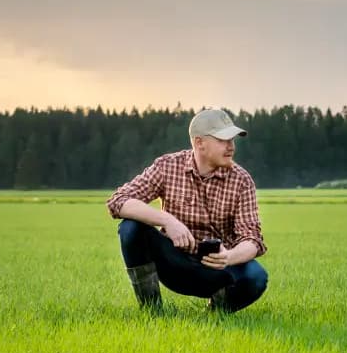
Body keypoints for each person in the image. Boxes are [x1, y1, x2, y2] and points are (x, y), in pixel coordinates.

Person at [105, 108, 269, 313]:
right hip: (173, 262)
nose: (231, 147)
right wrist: (167, 221)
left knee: (256, 277)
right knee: (130, 228)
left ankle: (217, 314)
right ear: (199, 143)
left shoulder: (242, 180)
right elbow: (118, 201)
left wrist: (229, 257)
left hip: (218, 269)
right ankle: (151, 312)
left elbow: (252, 239)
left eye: (232, 140)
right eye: (223, 140)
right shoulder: (168, 166)